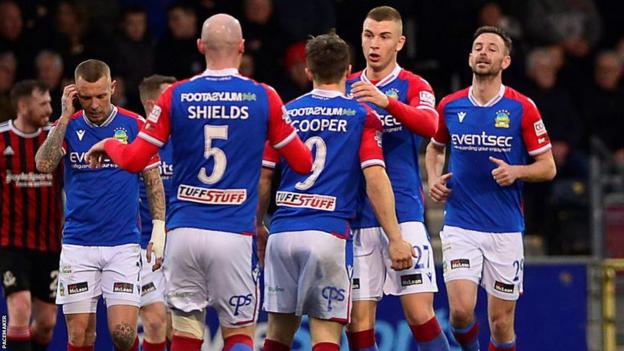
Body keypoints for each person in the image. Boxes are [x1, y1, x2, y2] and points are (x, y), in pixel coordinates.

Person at [84, 13, 312, 351]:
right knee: (238, 333)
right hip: (233, 233)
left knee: (187, 333)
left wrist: (109, 143)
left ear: (201, 46)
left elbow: (133, 160)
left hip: (184, 234)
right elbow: (303, 163)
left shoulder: (176, 95)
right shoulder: (264, 96)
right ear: (242, 47)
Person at [257, 32, 414, 351]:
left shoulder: (285, 113)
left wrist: (258, 224)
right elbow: (375, 177)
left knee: (276, 335)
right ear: (349, 70)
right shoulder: (361, 116)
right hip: (327, 234)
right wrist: (395, 237)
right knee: (326, 336)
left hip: (282, 232)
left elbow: (263, 177)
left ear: (308, 71)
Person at [424, 26, 556, 351]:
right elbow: (435, 147)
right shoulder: (450, 106)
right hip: (460, 224)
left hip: (505, 228)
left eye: (492, 48)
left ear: (506, 61)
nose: (483, 52)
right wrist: (433, 177)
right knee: (459, 312)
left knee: (500, 323)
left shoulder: (522, 107)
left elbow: (548, 167)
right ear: (470, 57)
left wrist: (517, 171)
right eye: (478, 47)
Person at [35, 59, 166, 351]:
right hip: (78, 244)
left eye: (101, 95)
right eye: (85, 97)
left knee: (122, 333)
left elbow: (153, 180)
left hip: (122, 244)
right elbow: (44, 164)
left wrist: (159, 230)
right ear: (74, 94)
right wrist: (66, 117)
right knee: (79, 336)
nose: (94, 104)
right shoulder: (67, 126)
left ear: (113, 88)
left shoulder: (133, 124)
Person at [345, 6, 450, 351]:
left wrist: (385, 103)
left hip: (404, 211)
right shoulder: (345, 86)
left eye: (384, 37)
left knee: (419, 313)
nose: (374, 44)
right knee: (357, 323)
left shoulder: (413, 85)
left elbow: (431, 125)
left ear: (400, 42)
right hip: (356, 216)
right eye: (368, 35)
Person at [0, 80, 63, 351]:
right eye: (43, 104)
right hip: (11, 242)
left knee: (47, 323)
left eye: (50, 102)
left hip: (49, 243)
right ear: (23, 106)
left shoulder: (56, 139)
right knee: (20, 307)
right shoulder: (1, 139)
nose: (49, 109)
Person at [136, 74, 176, 351]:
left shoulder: (187, 141)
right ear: (152, 104)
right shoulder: (134, 140)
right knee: (154, 320)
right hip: (143, 246)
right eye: (169, 98)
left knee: (179, 324)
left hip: (183, 243)